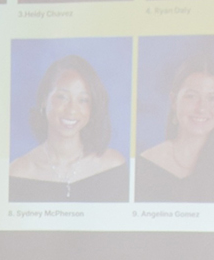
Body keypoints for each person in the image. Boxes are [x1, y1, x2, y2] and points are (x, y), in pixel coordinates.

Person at [135, 54, 214, 203]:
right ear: (174, 101)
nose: (202, 109)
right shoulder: (144, 165)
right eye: (191, 96)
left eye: (212, 98)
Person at [8, 56, 129, 202]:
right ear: (43, 100)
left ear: (93, 107)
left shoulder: (112, 165)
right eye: (62, 97)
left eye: (83, 100)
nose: (72, 110)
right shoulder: (18, 173)